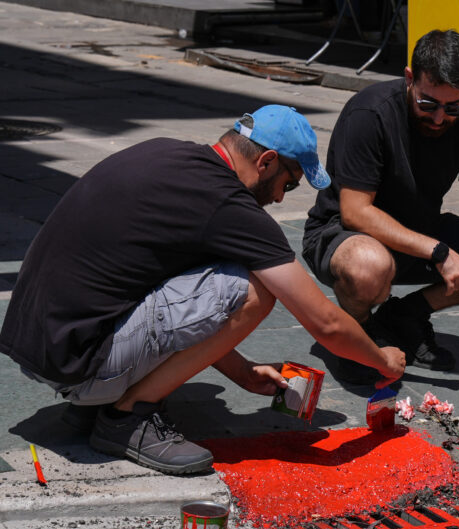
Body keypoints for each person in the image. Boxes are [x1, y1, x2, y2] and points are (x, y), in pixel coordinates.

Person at [0, 106, 405, 476]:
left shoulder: (166, 152)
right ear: (265, 162)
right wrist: (381, 359)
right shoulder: (227, 204)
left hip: (42, 346)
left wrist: (243, 373)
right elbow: (326, 323)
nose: (280, 197)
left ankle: (102, 399)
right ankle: (127, 417)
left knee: (195, 271)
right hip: (79, 362)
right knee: (254, 289)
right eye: (289, 183)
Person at [302, 30, 459, 380]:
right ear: (409, 78)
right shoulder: (370, 112)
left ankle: (405, 315)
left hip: (421, 230)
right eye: (428, 104)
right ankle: (359, 333)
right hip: (344, 235)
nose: (439, 117)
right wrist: (439, 252)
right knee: (369, 266)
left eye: (453, 107)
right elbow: (356, 212)